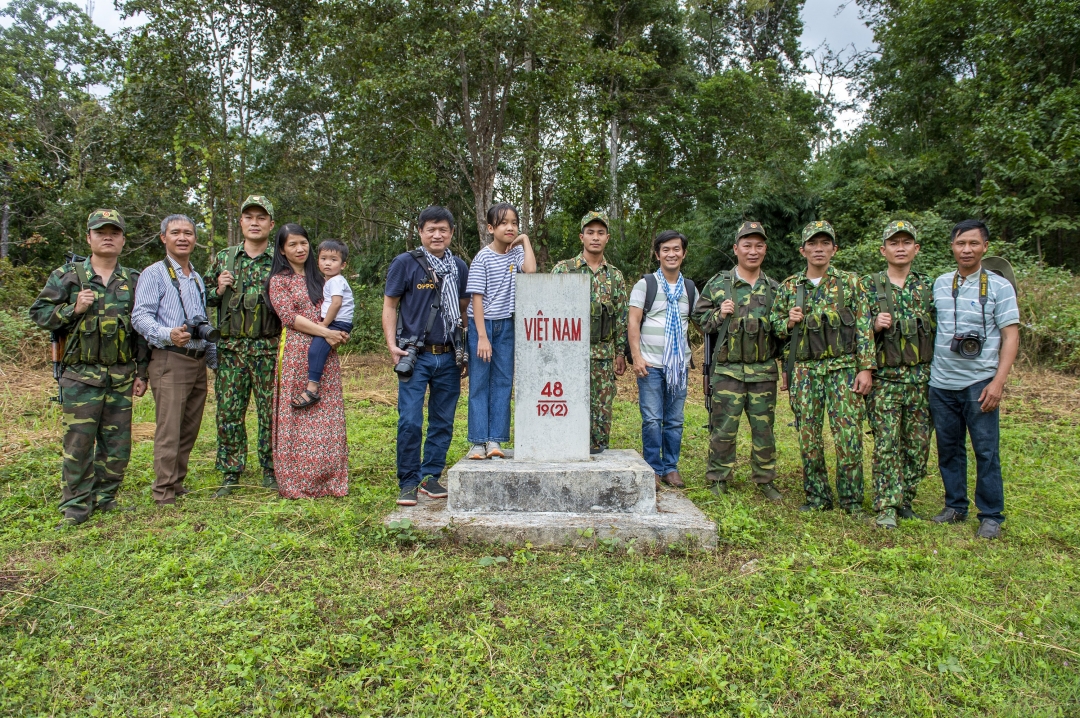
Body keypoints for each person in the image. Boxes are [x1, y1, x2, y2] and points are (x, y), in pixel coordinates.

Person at [29, 209, 149, 527]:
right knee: (79, 443)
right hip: (80, 375)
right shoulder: (67, 275)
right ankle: (76, 506)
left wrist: (142, 372)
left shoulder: (134, 280)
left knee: (118, 445)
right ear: (89, 238)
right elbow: (39, 312)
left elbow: (141, 330)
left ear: (123, 239)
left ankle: (106, 498)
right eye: (100, 232)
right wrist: (72, 308)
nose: (107, 236)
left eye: (114, 232)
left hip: (121, 375)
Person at [770, 220, 875, 515]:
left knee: (848, 436)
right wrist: (788, 320)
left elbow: (865, 327)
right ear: (803, 250)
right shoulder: (790, 286)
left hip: (843, 368)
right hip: (805, 370)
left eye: (825, 243)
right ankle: (817, 497)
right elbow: (775, 328)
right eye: (813, 244)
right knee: (808, 435)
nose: (819, 249)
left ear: (834, 249)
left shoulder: (851, 283)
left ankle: (852, 501)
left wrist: (866, 368)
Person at [928, 219, 1019, 540]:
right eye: (960, 243)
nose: (966, 249)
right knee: (949, 449)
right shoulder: (939, 283)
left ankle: (991, 514)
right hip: (940, 383)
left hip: (980, 383)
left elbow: (1011, 335)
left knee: (985, 450)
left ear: (985, 247)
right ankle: (955, 506)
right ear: (952, 247)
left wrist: (998, 382)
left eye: (973, 243)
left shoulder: (999, 286)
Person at [383, 206, 470, 505]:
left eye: (443, 229)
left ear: (451, 233)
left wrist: (464, 348)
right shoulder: (405, 263)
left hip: (448, 355)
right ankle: (407, 480)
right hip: (415, 355)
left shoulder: (459, 266)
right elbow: (390, 305)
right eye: (431, 229)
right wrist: (392, 344)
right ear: (420, 231)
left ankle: (430, 476)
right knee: (409, 419)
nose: (437, 234)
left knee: (443, 420)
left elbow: (463, 309)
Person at [692, 221, 782, 501]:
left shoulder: (775, 289)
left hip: (763, 371)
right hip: (728, 371)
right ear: (736, 248)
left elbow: (781, 332)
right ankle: (718, 477)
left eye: (758, 246)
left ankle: (765, 480)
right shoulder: (719, 284)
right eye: (747, 245)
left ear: (764, 250)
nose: (752, 251)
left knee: (764, 430)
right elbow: (699, 319)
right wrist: (719, 314)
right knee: (723, 429)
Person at [203, 195, 280, 497]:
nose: (255, 222)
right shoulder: (225, 257)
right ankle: (231, 470)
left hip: (268, 348)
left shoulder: (279, 259)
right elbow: (204, 296)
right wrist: (219, 287)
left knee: (270, 411)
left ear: (271, 224)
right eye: (249, 217)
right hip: (231, 349)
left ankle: (271, 468)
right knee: (229, 411)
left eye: (261, 218)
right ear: (241, 222)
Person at [267, 224, 351, 498]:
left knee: (325, 415)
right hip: (295, 352)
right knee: (298, 414)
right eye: (292, 244)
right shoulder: (280, 280)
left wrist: (339, 332)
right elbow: (289, 317)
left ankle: (328, 479)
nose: (300, 249)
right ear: (282, 249)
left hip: (324, 350)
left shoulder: (323, 276)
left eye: (303, 242)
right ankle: (297, 480)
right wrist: (326, 331)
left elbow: (340, 305)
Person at [132, 214, 210, 506]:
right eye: (175, 232)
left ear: (195, 239)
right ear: (163, 237)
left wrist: (211, 356)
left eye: (188, 233)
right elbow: (140, 317)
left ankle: (177, 482)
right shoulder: (154, 273)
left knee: (189, 426)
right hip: (170, 358)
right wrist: (167, 334)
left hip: (197, 358)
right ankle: (163, 491)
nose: (183, 237)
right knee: (169, 427)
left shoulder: (196, 276)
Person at [863, 221, 936, 529]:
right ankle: (886, 506)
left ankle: (905, 498)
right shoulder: (870, 286)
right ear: (884, 250)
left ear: (916, 249)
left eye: (907, 242)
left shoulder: (929, 286)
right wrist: (873, 326)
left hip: (922, 380)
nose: (901, 247)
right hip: (886, 381)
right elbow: (853, 332)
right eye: (894, 243)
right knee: (887, 445)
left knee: (918, 446)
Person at [552, 211, 628, 454]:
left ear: (607, 238)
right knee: (569, 403)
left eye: (601, 233)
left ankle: (599, 454)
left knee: (602, 410)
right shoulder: (564, 270)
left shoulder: (614, 276)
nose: (595, 237)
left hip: (603, 355)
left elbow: (621, 317)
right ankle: (567, 448)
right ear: (581, 237)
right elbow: (551, 310)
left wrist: (620, 353)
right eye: (590, 233)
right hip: (570, 354)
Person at [465, 203, 536, 459]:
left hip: (506, 324)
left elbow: (530, 270)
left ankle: (495, 440)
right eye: (504, 223)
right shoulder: (482, 258)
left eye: (514, 223)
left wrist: (524, 240)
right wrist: (482, 337)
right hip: (482, 325)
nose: (510, 227)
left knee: (503, 382)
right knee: (480, 383)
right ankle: (477, 441)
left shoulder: (515, 255)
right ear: (491, 228)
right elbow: (476, 299)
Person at [628, 230, 693, 488]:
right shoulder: (646, 284)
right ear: (657, 254)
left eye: (676, 249)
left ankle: (671, 467)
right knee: (653, 419)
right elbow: (633, 321)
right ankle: (653, 468)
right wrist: (636, 356)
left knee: (675, 419)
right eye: (665, 249)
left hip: (678, 366)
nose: (671, 254)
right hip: (651, 365)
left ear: (683, 253)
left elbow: (697, 321)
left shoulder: (689, 288)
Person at [293, 239, 355, 410]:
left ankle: (312, 389)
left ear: (343, 265)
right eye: (324, 258)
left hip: (336, 322)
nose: (327, 263)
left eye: (333, 260)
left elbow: (336, 303)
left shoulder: (336, 281)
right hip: (337, 322)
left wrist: (324, 325)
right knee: (317, 350)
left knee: (316, 351)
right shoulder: (328, 280)